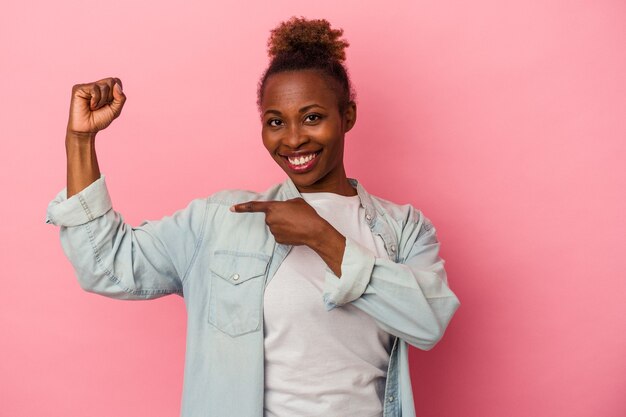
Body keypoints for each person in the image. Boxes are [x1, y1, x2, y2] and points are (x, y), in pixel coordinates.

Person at [46, 17, 460, 417]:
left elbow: (428, 322)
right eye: (275, 122)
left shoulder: (404, 229)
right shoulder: (221, 220)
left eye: (312, 117)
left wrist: (322, 237)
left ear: (347, 116)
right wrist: (80, 140)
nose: (294, 138)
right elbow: (107, 265)